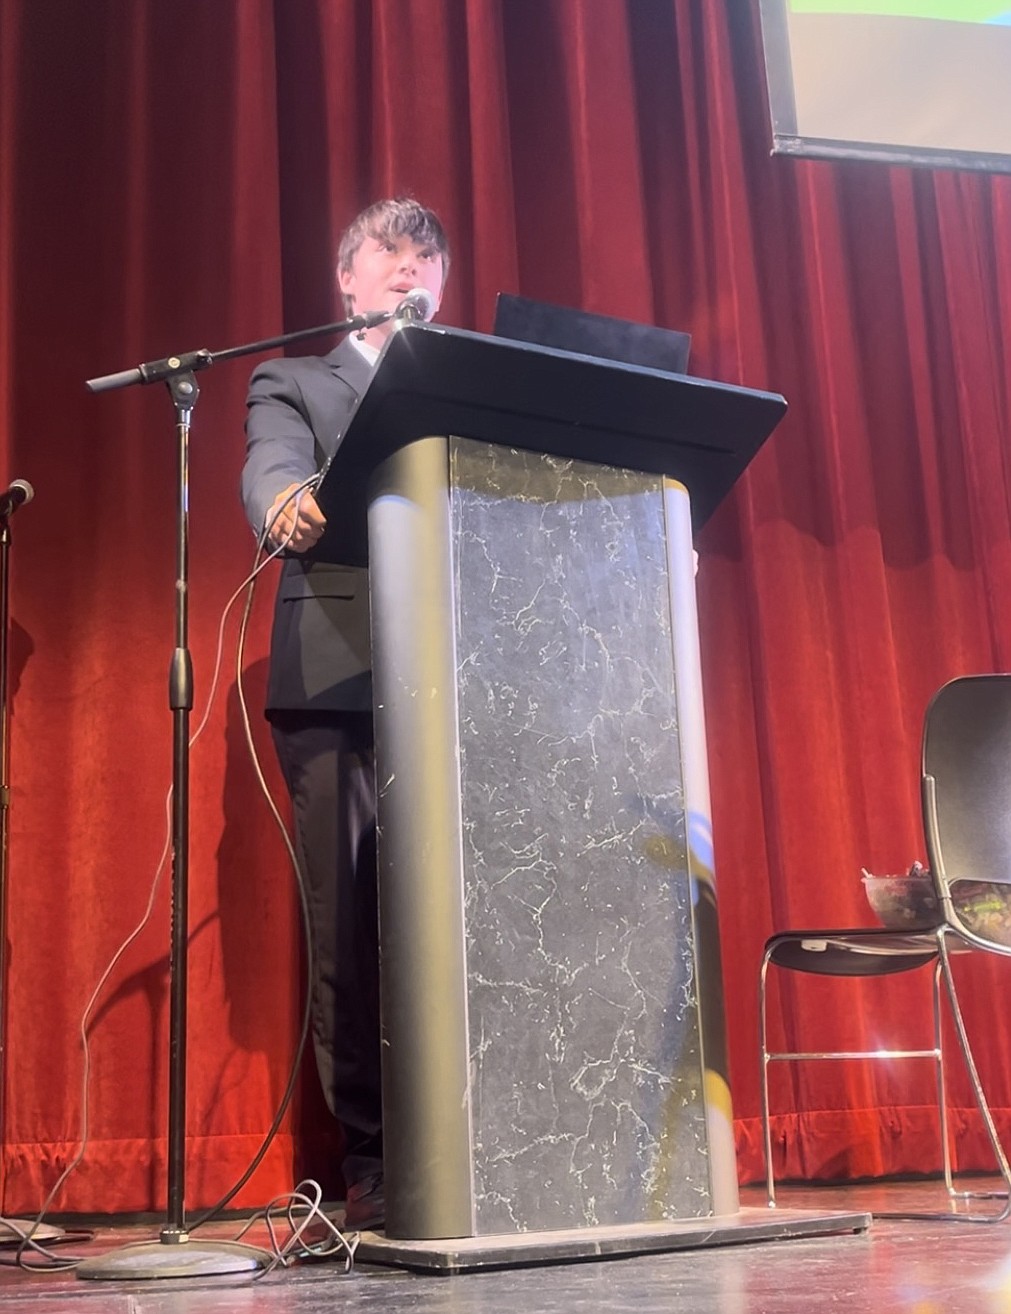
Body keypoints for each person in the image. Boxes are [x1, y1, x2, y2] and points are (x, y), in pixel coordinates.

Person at [240, 198, 451, 1231]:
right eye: (393, 257)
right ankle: (373, 1170)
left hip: (457, 682)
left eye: (428, 259)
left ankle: (469, 1149)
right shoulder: (294, 381)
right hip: (338, 683)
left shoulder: (462, 381)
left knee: (454, 921)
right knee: (356, 932)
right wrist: (282, 499)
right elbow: (270, 463)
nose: (413, 272)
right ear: (350, 282)